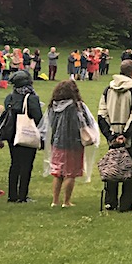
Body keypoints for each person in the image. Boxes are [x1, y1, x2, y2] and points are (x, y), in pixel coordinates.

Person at [97, 60, 132, 212]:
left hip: (113, 134)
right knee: (130, 168)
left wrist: (111, 135)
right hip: (130, 137)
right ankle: (126, 204)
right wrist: (125, 134)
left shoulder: (108, 89)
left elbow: (101, 114)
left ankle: (110, 202)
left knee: (112, 166)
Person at [42, 79, 97, 208]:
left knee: (58, 173)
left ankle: (55, 201)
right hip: (74, 143)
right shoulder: (76, 106)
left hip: (57, 142)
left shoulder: (53, 106)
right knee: (70, 173)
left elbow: (49, 123)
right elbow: (85, 122)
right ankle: (66, 201)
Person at [0, 71, 44, 203]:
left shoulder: (9, 98)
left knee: (15, 164)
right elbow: (38, 118)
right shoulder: (31, 98)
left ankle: (12, 195)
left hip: (12, 135)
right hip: (27, 134)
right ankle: (22, 195)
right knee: (26, 165)